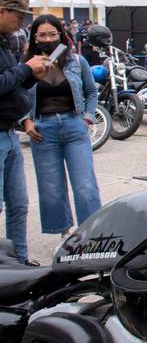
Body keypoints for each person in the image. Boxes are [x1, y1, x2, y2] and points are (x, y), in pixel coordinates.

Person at [21, 14, 101, 237]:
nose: (48, 39)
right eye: (42, 35)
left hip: (74, 126)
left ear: (61, 35)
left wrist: (88, 117)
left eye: (52, 34)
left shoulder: (77, 61)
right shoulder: (27, 66)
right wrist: (26, 121)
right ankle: (65, 235)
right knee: (52, 190)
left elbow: (91, 91)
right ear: (35, 38)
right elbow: (18, 96)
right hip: (42, 131)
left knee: (85, 187)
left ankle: (91, 235)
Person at [0, 0, 53, 264]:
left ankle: (17, 262)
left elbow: (14, 85)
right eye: (17, 15)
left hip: (9, 134)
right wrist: (25, 69)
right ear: (1, 11)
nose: (21, 23)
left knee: (18, 206)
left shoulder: (6, 42)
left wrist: (34, 75)